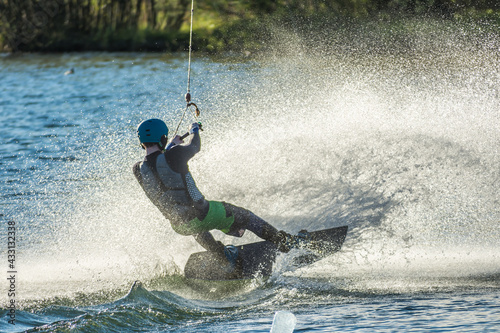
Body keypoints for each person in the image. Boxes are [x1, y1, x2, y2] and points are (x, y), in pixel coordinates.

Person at [133, 118, 301, 259]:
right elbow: (194, 147)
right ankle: (284, 243)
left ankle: (222, 258)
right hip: (204, 214)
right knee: (245, 216)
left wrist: (170, 147)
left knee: (191, 223)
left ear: (142, 143)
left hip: (179, 225)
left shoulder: (138, 169)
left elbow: (157, 165)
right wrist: (194, 130)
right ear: (163, 138)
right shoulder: (175, 154)